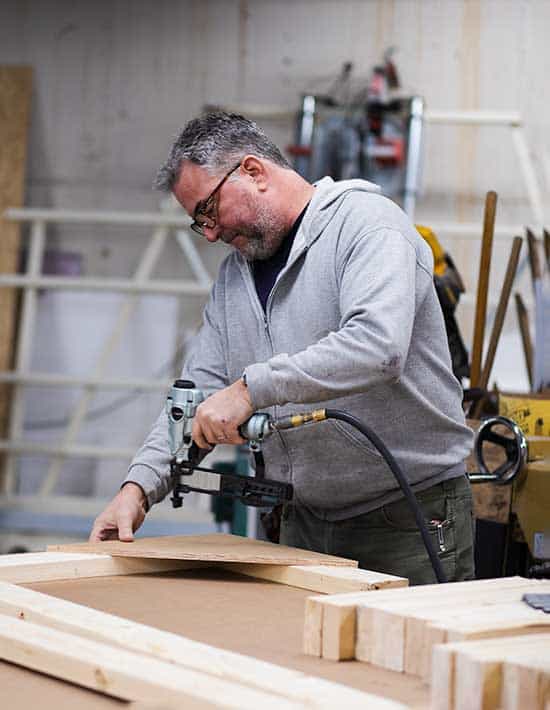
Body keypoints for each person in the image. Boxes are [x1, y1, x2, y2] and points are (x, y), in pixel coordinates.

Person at [90, 111, 475, 585]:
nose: (209, 233)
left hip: (408, 521)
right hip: (304, 523)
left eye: (209, 211)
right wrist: (138, 489)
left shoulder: (367, 226)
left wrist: (251, 390)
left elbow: (378, 346)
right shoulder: (236, 277)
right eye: (198, 223)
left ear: (252, 172)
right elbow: (197, 393)